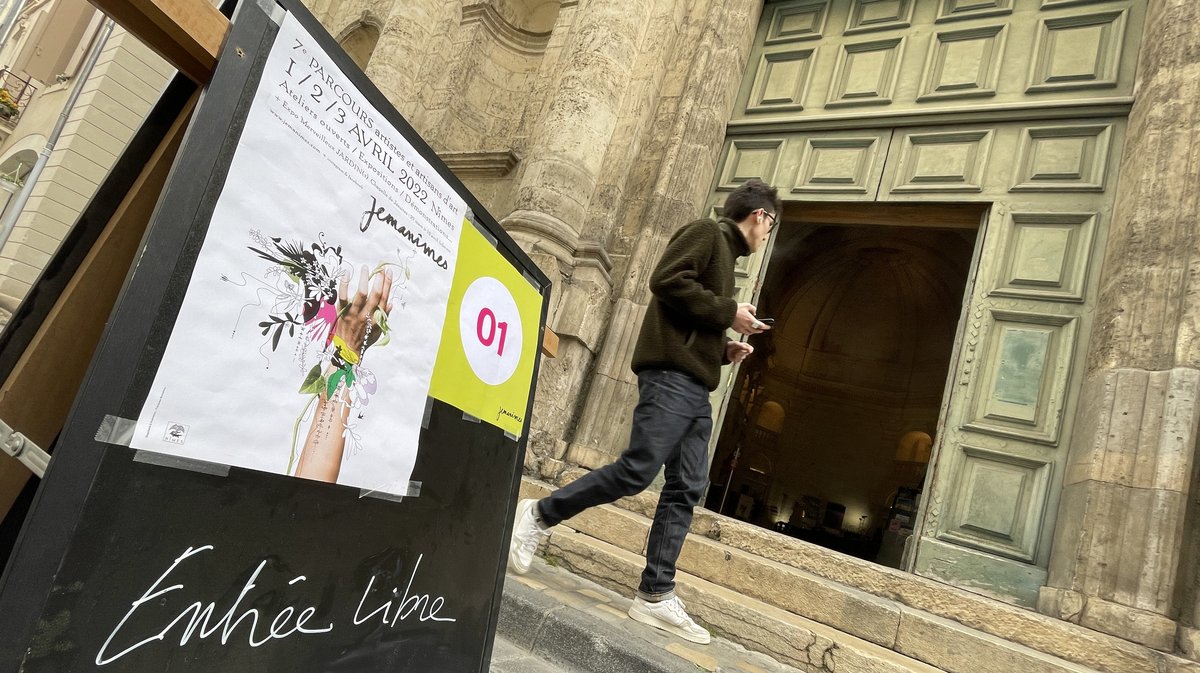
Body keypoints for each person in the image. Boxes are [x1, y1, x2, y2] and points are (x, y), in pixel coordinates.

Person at [508, 179, 781, 645]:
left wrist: (722, 350)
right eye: (769, 227)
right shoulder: (706, 233)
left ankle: (654, 595)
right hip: (672, 380)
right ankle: (537, 515)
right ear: (761, 217)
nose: (766, 236)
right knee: (637, 471)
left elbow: (687, 320)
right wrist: (728, 311)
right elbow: (666, 281)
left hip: (695, 386)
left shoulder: (725, 254)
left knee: (687, 487)